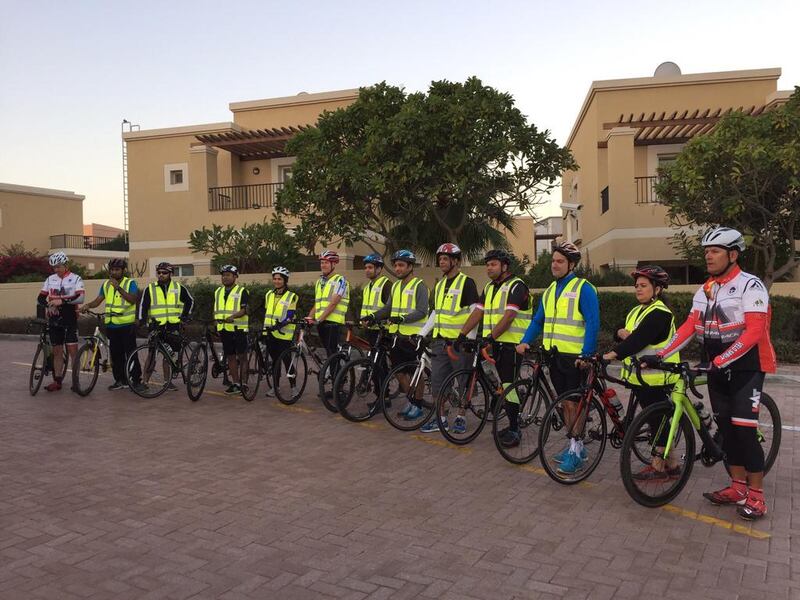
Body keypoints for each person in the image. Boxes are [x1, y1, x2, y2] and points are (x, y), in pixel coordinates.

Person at [652, 226, 776, 520]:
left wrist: (722, 359)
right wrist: (659, 354)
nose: (708, 256)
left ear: (733, 254)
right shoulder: (705, 289)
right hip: (717, 368)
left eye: (715, 251)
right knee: (727, 431)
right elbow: (687, 329)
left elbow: (755, 331)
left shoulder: (751, 285)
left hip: (748, 367)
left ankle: (757, 497)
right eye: (706, 251)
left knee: (745, 432)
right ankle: (737, 486)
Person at [516, 242, 600, 475]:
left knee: (574, 403)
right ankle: (576, 446)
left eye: (560, 261)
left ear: (571, 264)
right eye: (553, 260)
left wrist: (586, 354)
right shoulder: (550, 290)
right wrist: (524, 340)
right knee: (564, 403)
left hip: (575, 358)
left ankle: (576, 449)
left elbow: (593, 323)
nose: (555, 264)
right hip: (554, 355)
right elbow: (538, 320)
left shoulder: (583, 288)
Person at [601, 265, 680, 479]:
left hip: (658, 377)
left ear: (657, 289)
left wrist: (610, 355)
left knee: (658, 420)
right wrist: (620, 332)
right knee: (657, 420)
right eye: (637, 285)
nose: (638, 289)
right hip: (641, 378)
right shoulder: (637, 310)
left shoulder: (660, 314)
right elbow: (619, 328)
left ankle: (658, 467)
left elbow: (637, 340)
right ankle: (672, 464)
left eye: (643, 285)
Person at [456, 249, 532, 442]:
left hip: (513, 344)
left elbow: (509, 317)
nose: (489, 268)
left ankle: (515, 429)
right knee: (489, 371)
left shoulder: (517, 286)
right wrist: (462, 334)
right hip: (496, 341)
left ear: (504, 266)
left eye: (493, 264)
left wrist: (489, 338)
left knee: (509, 385)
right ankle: (499, 396)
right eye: (487, 264)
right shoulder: (489, 288)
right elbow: (477, 313)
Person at [362, 249, 429, 420]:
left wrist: (401, 318)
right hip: (397, 337)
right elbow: (388, 308)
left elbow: (422, 311)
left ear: (410, 267)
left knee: (415, 373)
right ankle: (411, 400)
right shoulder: (397, 286)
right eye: (396, 265)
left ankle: (418, 405)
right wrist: (372, 316)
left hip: (413, 337)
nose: (398, 269)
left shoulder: (419, 285)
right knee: (399, 372)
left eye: (401, 265)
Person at [420, 243, 479, 434]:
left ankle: (461, 416)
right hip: (440, 342)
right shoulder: (439, 285)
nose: (441, 262)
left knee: (462, 381)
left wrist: (469, 340)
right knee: (437, 382)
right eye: (440, 259)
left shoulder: (467, 283)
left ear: (455, 261)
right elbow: (436, 312)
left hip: (460, 344)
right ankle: (442, 418)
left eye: (445, 258)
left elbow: (474, 314)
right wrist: (422, 333)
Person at [79, 258, 142, 391]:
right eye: (112, 270)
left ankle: (136, 380)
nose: (114, 272)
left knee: (131, 353)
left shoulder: (130, 283)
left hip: (126, 325)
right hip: (112, 325)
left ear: (123, 271)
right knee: (116, 354)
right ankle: (120, 380)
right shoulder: (106, 285)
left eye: (117, 270)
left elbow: (132, 300)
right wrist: (88, 305)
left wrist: (118, 288)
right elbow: (98, 300)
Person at [138, 262, 194, 391]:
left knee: (169, 355)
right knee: (151, 354)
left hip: (173, 326)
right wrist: (142, 321)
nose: (161, 275)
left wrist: (185, 316)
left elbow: (190, 301)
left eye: (164, 273)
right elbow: (143, 306)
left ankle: (167, 382)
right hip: (156, 326)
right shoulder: (150, 288)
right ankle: (144, 382)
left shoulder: (179, 288)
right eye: (159, 272)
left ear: (171, 274)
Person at [37, 252, 85, 392]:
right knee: (57, 351)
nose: (56, 270)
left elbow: (80, 298)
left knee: (72, 352)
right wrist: (49, 305)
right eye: (53, 267)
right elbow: (40, 298)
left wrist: (62, 301)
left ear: (65, 265)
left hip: (70, 318)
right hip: (54, 318)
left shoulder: (76, 278)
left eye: (58, 266)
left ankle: (75, 382)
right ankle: (57, 381)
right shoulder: (50, 279)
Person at [307, 250, 350, 360]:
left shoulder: (341, 280)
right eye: (322, 263)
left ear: (334, 264)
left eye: (326, 262)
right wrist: (309, 317)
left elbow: (333, 303)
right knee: (328, 352)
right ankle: (331, 375)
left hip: (333, 323)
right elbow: (318, 304)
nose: (323, 265)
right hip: (322, 322)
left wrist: (319, 319)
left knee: (332, 354)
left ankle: (337, 376)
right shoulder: (319, 282)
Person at [262, 266, 298, 396]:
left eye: (280, 279)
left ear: (285, 280)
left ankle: (293, 387)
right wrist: (265, 331)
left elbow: (290, 315)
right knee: (275, 362)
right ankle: (275, 387)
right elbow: (267, 314)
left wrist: (279, 325)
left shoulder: (292, 296)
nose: (277, 281)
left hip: (284, 334)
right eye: (275, 279)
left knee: (287, 361)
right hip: (270, 333)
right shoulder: (268, 295)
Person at [213, 265, 249, 395]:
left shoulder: (242, 291)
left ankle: (244, 384)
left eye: (228, 275)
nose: (225, 277)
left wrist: (233, 317)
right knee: (231, 357)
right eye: (223, 275)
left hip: (239, 328)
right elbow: (216, 310)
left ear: (235, 277)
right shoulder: (218, 292)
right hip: (224, 329)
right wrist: (216, 323)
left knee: (242, 356)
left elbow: (245, 310)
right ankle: (236, 383)